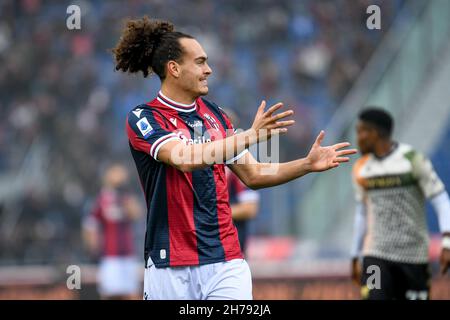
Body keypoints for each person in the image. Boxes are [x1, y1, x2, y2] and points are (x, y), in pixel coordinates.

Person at [113, 16, 357, 300]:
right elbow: (184, 158)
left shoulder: (215, 115)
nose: (209, 70)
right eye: (201, 62)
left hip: (225, 262)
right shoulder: (145, 117)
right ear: (174, 68)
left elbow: (253, 174)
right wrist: (251, 135)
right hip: (169, 264)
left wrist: (305, 164)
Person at [350, 108, 450, 300]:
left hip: (413, 256)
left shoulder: (412, 160)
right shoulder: (361, 168)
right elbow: (362, 213)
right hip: (376, 255)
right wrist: (355, 255)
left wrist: (447, 242)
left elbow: (441, 200)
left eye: (361, 131)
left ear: (375, 133)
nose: (358, 138)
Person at [83, 164, 142, 300]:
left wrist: (126, 198)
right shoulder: (101, 200)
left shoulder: (127, 197)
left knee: (132, 293)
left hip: (127, 254)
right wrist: (93, 247)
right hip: (110, 255)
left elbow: (136, 214)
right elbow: (90, 224)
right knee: (108, 293)